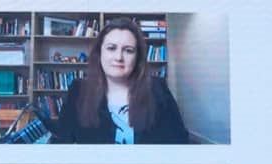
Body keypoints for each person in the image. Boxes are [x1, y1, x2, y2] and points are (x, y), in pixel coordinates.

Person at [53, 19, 189, 144]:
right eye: (111, 48)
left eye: (128, 51)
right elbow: (62, 143)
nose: (119, 57)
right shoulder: (78, 91)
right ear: (99, 53)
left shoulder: (158, 90)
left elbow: (180, 143)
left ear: (137, 57)